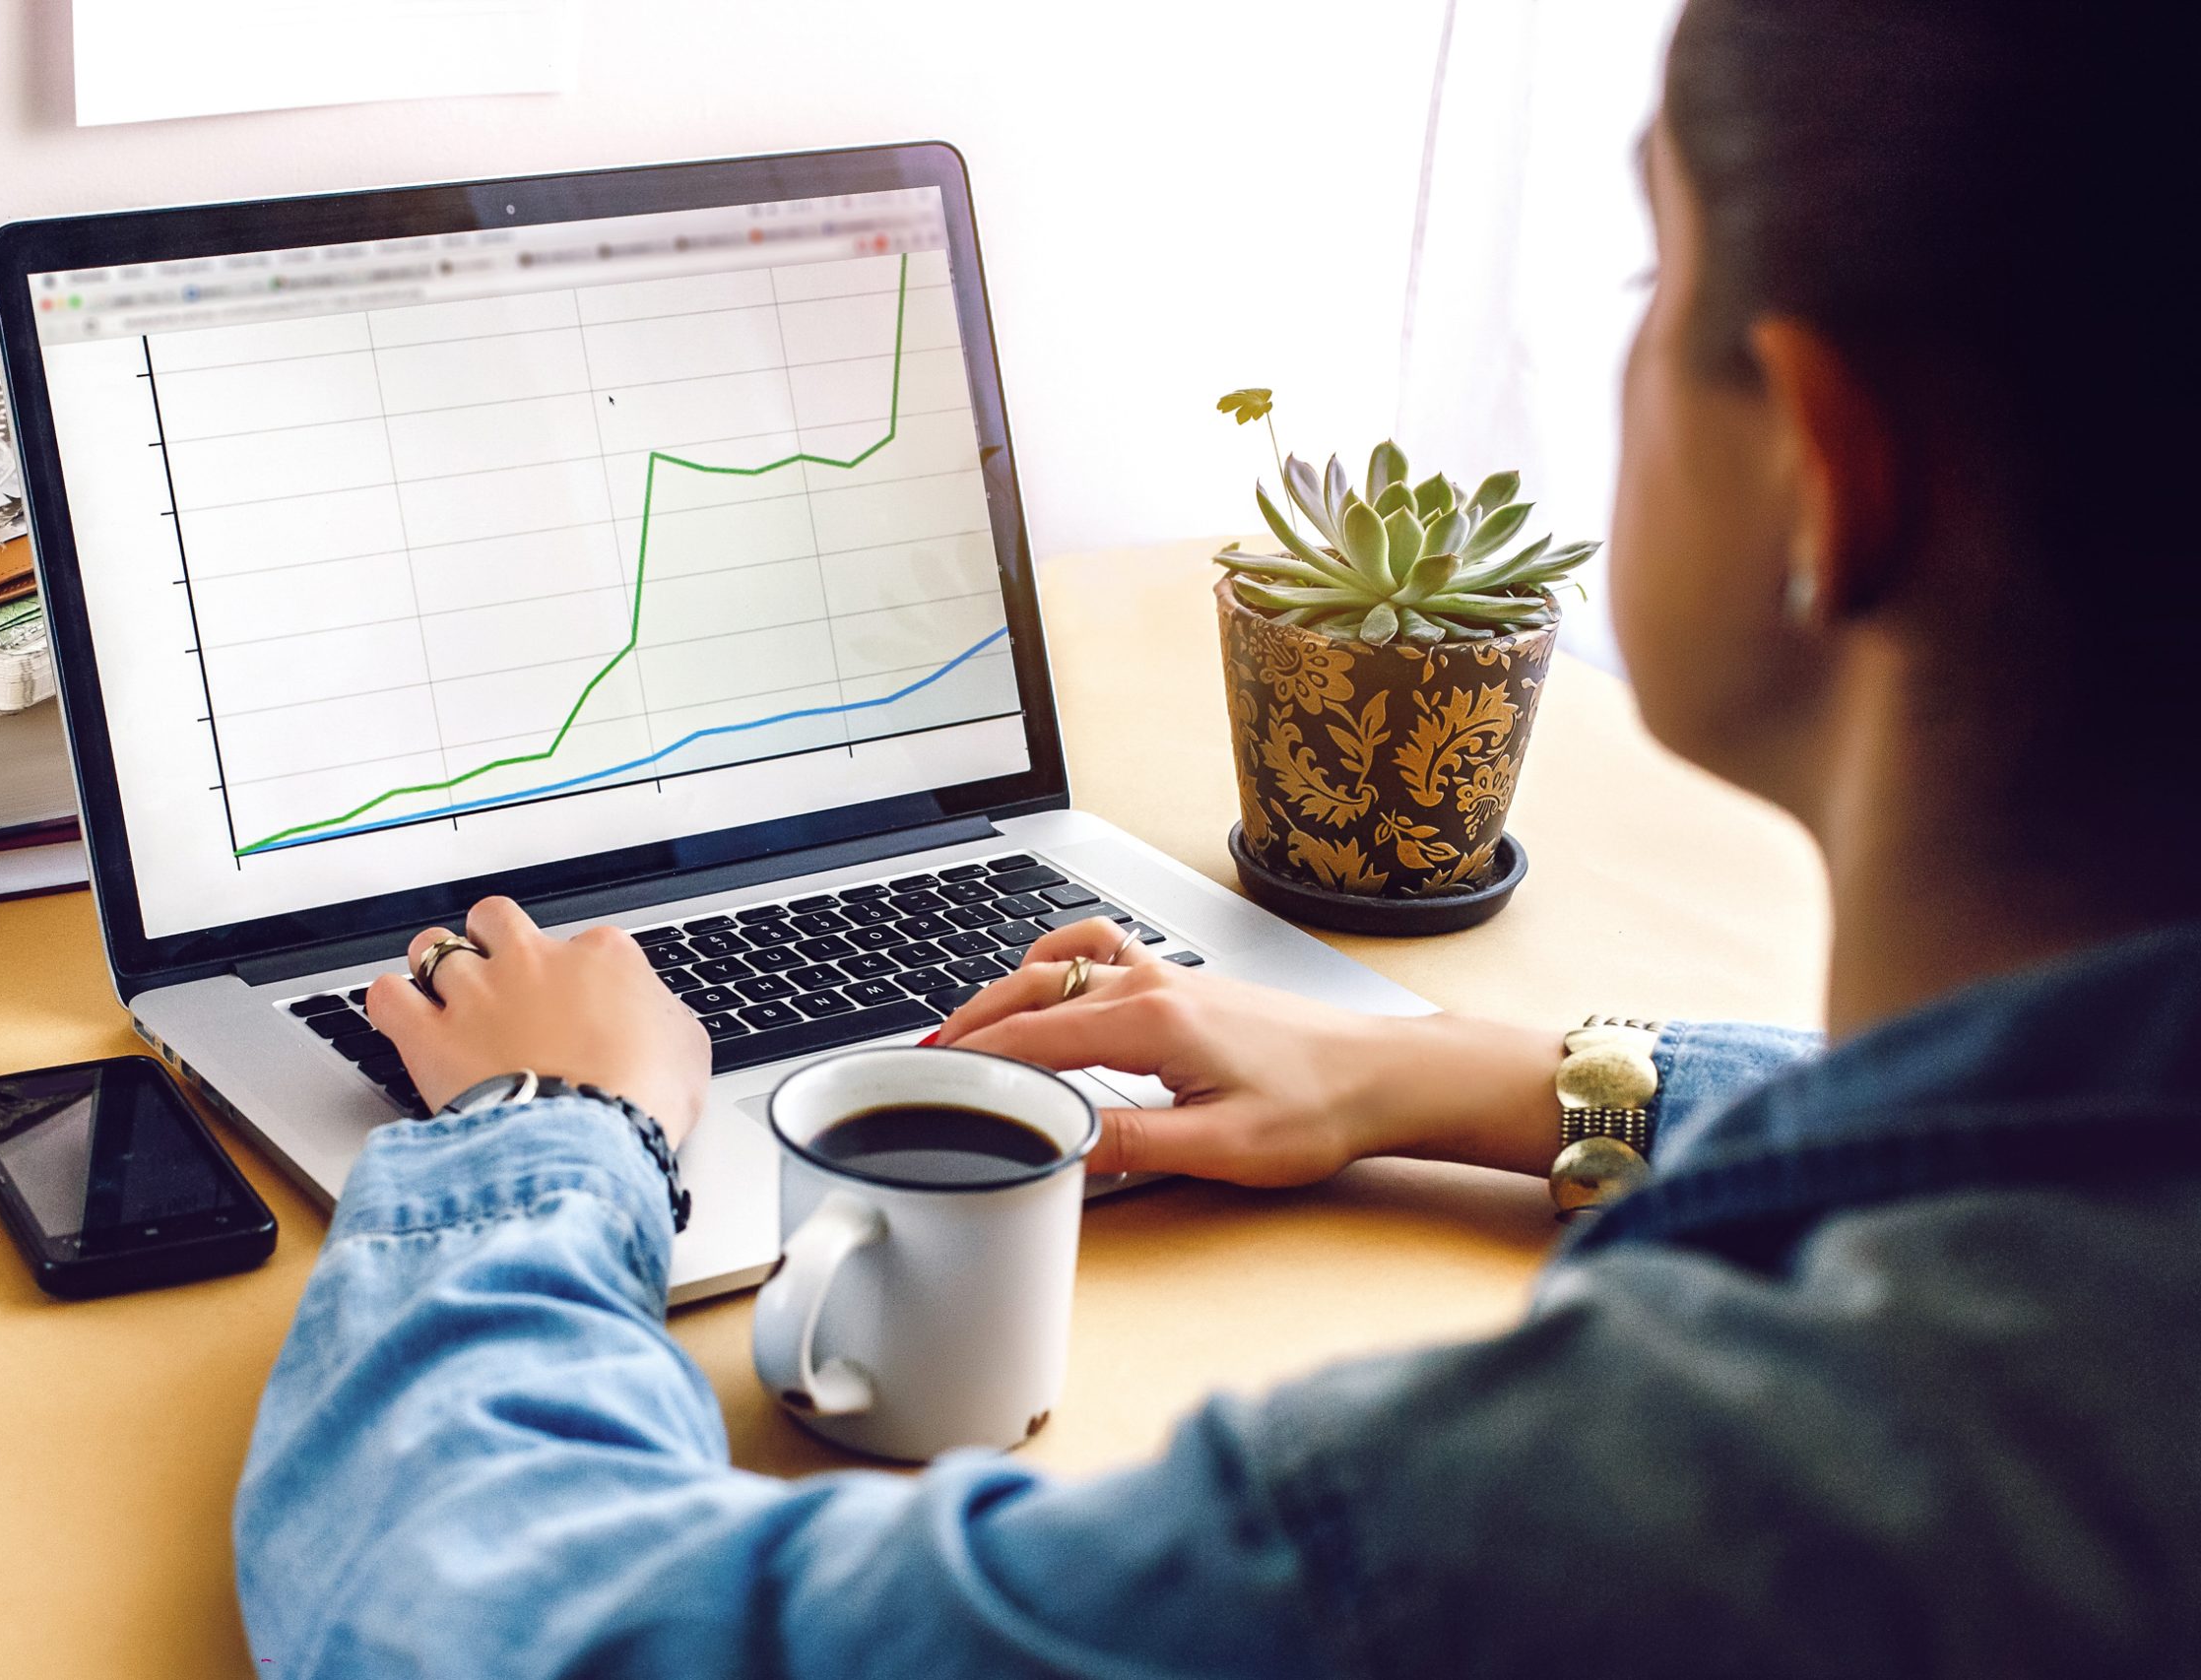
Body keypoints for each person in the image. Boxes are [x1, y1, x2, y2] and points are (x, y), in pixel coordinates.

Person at [232, 1, 2201, 1672]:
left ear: (1821, 469)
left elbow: (509, 1619)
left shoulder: (1572, 1523)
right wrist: (1476, 1076)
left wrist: (543, 1137)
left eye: (1645, 278)